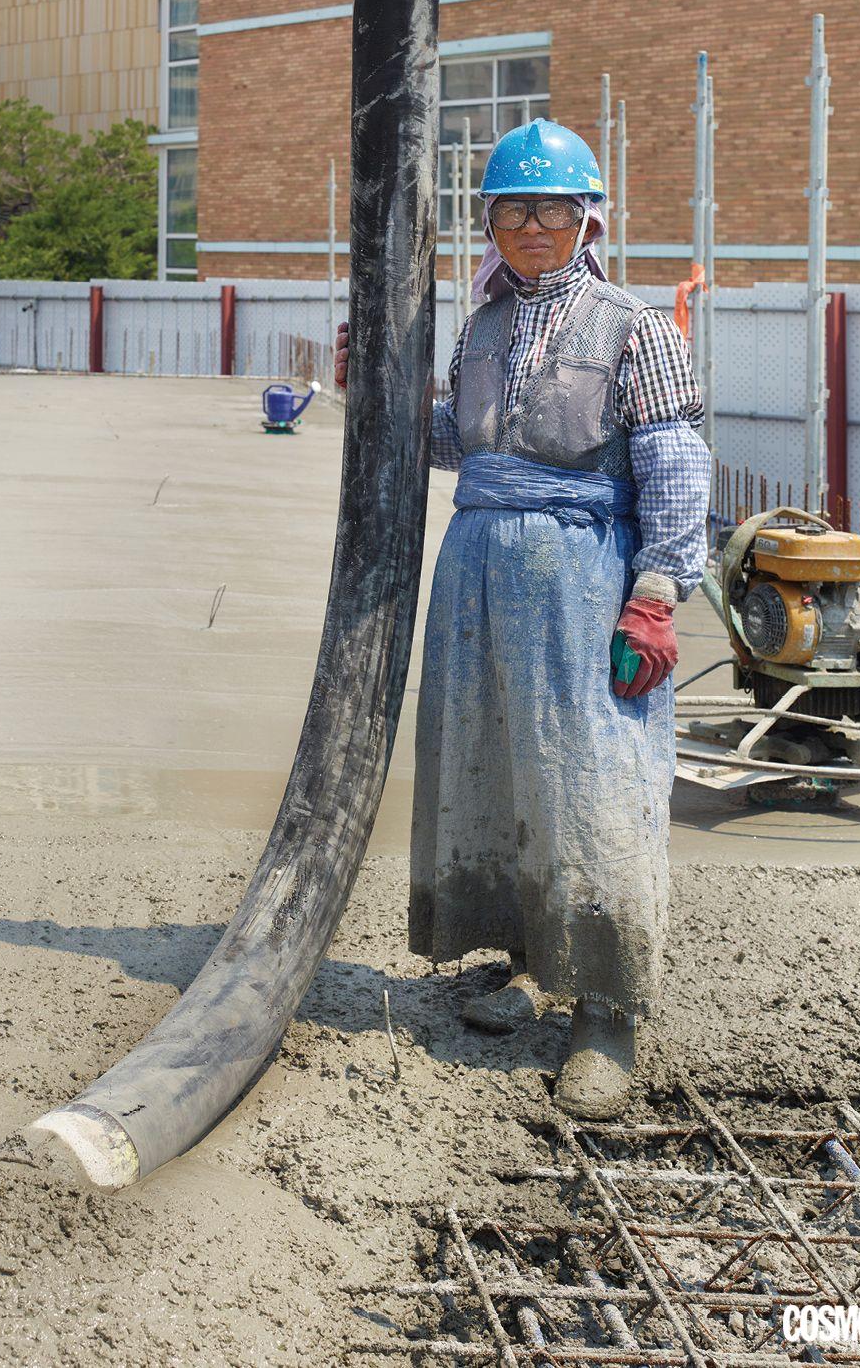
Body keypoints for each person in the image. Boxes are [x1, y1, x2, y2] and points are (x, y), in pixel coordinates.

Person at [334, 118, 711, 1118]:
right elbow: (457, 442)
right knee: (495, 765)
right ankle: (525, 964)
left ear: (588, 220)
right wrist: (377, 392)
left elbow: (675, 463)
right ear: (489, 224)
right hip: (479, 582)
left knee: (591, 783)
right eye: (513, 210)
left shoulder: (634, 328)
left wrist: (657, 595)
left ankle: (606, 1014)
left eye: (552, 208)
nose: (532, 225)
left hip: (583, 585)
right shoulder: (483, 327)